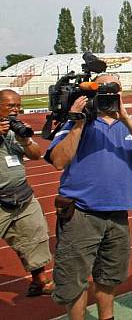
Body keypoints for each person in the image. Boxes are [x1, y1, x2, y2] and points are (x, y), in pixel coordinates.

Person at [45, 74, 132, 320]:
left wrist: (125, 118)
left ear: (121, 92)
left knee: (109, 275)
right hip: (81, 213)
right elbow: (58, 161)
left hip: (117, 213)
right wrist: (78, 122)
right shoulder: (76, 123)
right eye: (102, 88)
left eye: (113, 88)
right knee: (73, 277)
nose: (107, 92)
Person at [0, 89, 54, 297]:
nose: (15, 110)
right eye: (10, 106)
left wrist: (25, 140)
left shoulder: (16, 129)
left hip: (22, 196)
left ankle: (40, 281)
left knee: (34, 238)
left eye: (17, 106)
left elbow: (36, 155)